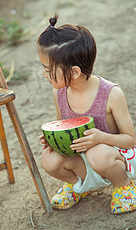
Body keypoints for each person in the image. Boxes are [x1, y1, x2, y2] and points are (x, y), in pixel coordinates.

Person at [37, 15, 136, 214]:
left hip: (115, 155)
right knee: (49, 159)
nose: (44, 75)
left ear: (74, 72)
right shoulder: (59, 93)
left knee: (98, 153)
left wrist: (100, 138)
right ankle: (81, 186)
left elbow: (130, 139)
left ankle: (123, 186)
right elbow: (64, 127)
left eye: (49, 70)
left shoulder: (111, 94)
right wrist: (53, 141)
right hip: (83, 156)